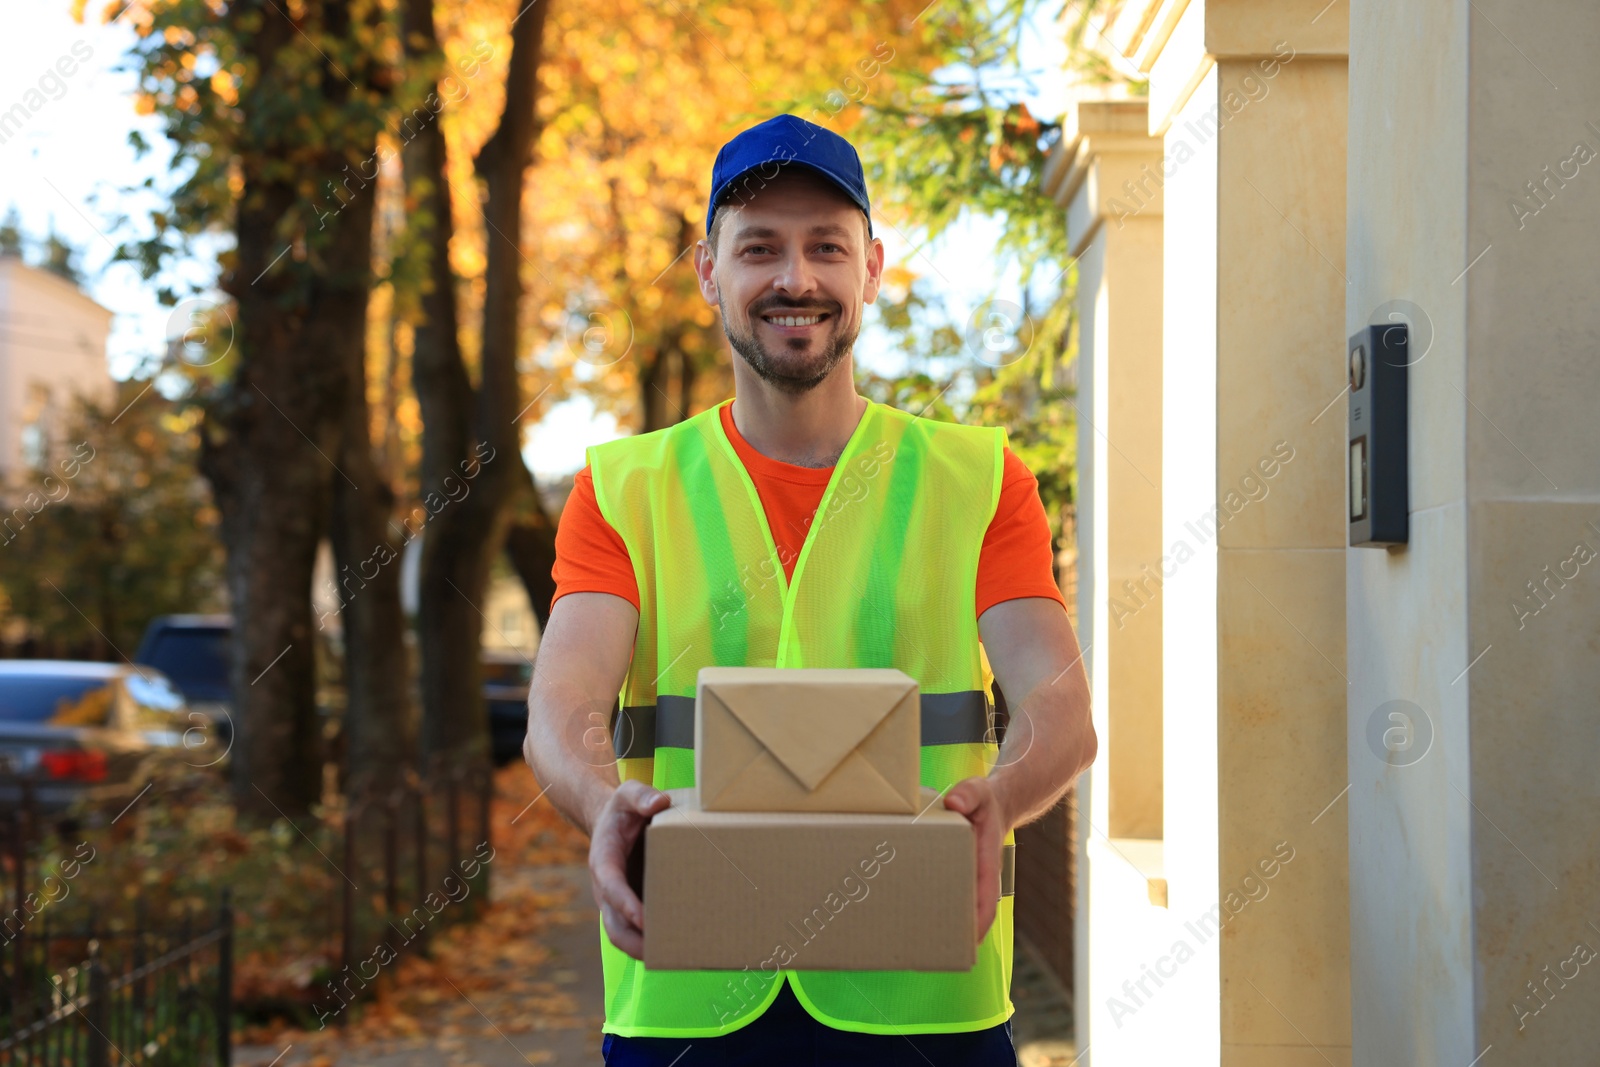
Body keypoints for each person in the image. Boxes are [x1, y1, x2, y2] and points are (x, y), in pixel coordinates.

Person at [524, 113, 1096, 1066]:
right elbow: (564, 699)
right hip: (688, 1000)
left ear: (871, 269)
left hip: (923, 1001)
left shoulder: (979, 479)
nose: (796, 280)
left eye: (825, 246)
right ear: (709, 272)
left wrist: (1004, 791)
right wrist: (597, 799)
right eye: (760, 249)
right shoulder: (624, 486)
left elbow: (1062, 708)